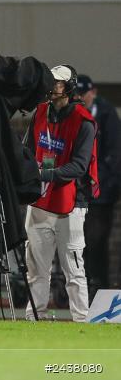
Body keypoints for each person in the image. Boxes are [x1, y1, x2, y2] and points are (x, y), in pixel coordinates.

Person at [24, 65, 99, 322]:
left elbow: (79, 167)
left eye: (57, 83)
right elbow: (27, 150)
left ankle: (82, 321)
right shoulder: (40, 113)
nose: (52, 86)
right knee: (35, 269)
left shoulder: (84, 121)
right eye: (51, 82)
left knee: (74, 271)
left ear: (69, 87)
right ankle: (35, 319)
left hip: (71, 205)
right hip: (40, 201)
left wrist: (43, 174)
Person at [77, 75, 121, 295]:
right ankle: (86, 289)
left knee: (96, 242)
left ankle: (99, 288)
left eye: (83, 94)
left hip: (101, 192)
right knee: (81, 243)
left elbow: (115, 153)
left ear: (92, 92)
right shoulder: (76, 114)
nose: (81, 99)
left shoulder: (106, 114)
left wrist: (106, 184)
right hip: (81, 191)